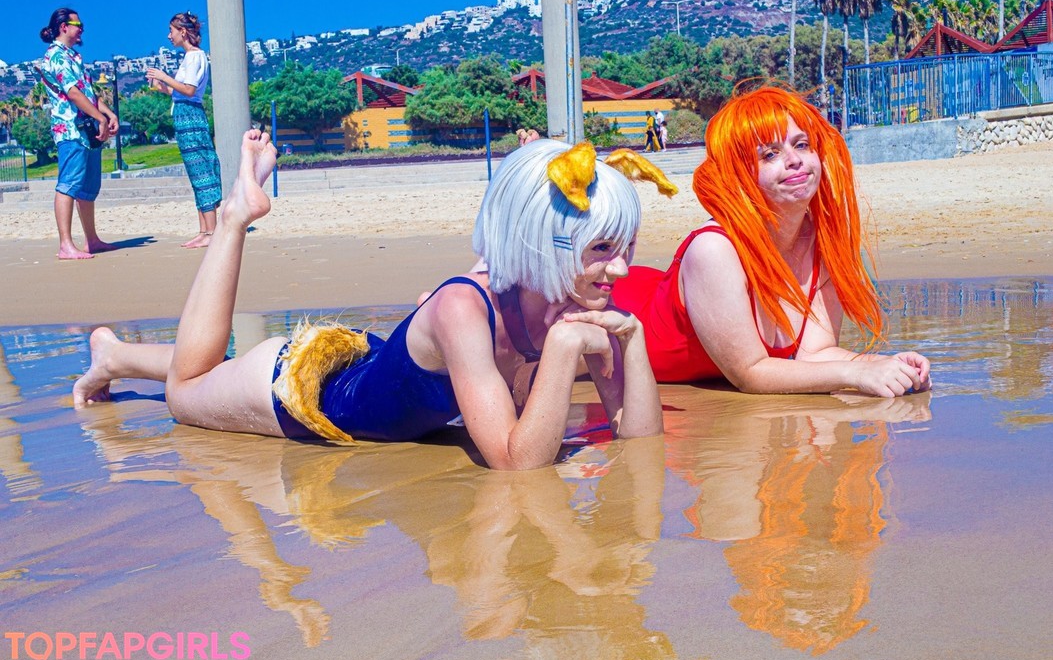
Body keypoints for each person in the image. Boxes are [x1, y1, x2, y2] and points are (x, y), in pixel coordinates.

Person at [73, 132, 668, 470]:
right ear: (540, 242)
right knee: (186, 391)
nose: (620, 269)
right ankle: (234, 218)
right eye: (601, 249)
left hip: (364, 359)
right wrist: (562, 351)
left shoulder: (567, 298)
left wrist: (633, 339)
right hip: (297, 393)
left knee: (206, 371)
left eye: (626, 247)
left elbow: (641, 440)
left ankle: (115, 356)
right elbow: (515, 463)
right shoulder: (465, 308)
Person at [612, 85, 931, 397]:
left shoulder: (823, 241)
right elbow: (749, 373)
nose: (794, 160)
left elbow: (815, 355)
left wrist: (880, 364)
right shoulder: (714, 249)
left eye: (802, 145)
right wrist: (856, 374)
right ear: (740, 174)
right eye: (770, 154)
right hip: (615, 307)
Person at [39, 7, 119, 260]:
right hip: (70, 129)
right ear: (63, 27)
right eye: (78, 24)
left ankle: (91, 240)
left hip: (87, 130)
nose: (82, 28)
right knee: (69, 184)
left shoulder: (73, 56)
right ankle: (66, 245)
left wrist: (108, 114)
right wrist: (100, 118)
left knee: (88, 187)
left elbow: (88, 93)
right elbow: (73, 93)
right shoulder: (56, 55)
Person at [146, 12, 221, 249]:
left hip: (190, 117)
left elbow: (189, 90)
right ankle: (204, 230)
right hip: (185, 114)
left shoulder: (195, 57)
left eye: (171, 31)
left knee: (201, 169)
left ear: (183, 31)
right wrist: (163, 88)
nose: (169, 36)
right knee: (196, 171)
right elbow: (183, 93)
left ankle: (211, 232)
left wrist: (164, 77)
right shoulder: (192, 57)